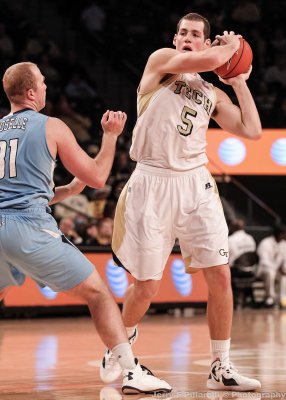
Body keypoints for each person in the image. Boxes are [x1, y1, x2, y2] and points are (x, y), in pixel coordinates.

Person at [100, 13, 262, 391]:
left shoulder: (211, 93)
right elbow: (206, 61)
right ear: (176, 40)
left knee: (220, 274)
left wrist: (238, 81)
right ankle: (118, 349)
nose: (188, 38)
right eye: (183, 33)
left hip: (195, 184)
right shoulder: (160, 64)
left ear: (205, 43)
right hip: (152, 182)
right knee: (146, 286)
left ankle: (221, 366)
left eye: (196, 35)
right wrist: (232, 46)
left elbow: (252, 129)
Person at [0, 61, 171, 395]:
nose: (47, 86)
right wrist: (109, 137)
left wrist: (64, 191)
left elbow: (14, 190)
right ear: (32, 92)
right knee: (98, 294)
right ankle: (131, 372)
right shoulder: (51, 126)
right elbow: (97, 176)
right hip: (29, 227)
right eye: (43, 82)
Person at [256, 224, 286, 307]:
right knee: (270, 272)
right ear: (280, 234)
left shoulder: (284, 245)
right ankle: (270, 298)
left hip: (276, 271)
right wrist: (276, 269)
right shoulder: (265, 243)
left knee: (283, 276)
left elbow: (284, 260)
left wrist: (283, 269)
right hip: (264, 270)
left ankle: (282, 299)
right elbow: (264, 261)